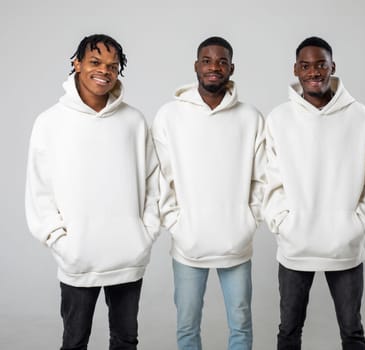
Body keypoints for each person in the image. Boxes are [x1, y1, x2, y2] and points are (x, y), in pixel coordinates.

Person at [25, 34, 160, 349]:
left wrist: (146, 233)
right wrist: (62, 243)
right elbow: (39, 190)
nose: (104, 71)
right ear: (77, 64)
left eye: (112, 66)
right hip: (78, 260)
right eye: (95, 62)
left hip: (128, 256)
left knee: (126, 340)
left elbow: (155, 182)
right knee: (74, 342)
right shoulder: (50, 123)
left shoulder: (134, 121)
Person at [263, 36, 365, 350]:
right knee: (288, 331)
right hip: (295, 243)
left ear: (332, 67)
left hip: (344, 243)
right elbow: (268, 179)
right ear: (296, 70)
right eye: (306, 66)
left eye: (320, 65)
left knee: (352, 330)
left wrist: (358, 222)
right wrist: (282, 222)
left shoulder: (359, 116)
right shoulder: (279, 118)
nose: (314, 72)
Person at [151, 36, 265, 350]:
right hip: (188, 245)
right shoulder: (169, 116)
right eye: (207, 60)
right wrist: (177, 225)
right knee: (187, 327)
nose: (214, 67)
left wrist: (248, 221)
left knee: (241, 325)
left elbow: (263, 178)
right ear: (196, 65)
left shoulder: (251, 118)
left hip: (236, 243)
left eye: (221, 61)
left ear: (231, 67)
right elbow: (160, 178)